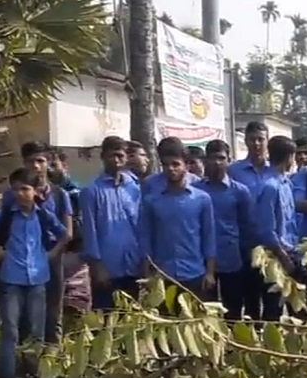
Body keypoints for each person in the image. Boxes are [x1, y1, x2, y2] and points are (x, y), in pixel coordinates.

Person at [0, 168, 67, 378]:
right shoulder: (4, 215)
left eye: (25, 189)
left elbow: (65, 234)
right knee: (10, 330)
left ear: (35, 191)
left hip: (38, 279)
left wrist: (52, 254)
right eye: (16, 190)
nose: (20, 194)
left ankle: (36, 377)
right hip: (11, 279)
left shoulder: (42, 215)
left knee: (37, 331)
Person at [9, 141, 74, 343]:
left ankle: (54, 362)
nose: (36, 166)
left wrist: (52, 254)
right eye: (30, 161)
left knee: (53, 310)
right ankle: (26, 363)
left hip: (51, 256)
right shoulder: (13, 195)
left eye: (40, 161)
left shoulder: (59, 194)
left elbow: (68, 232)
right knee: (23, 314)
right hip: (22, 259)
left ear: (49, 163)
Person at [138, 143, 217, 298]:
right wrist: (147, 273)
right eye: (166, 165)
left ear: (186, 166)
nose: (171, 169)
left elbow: (209, 237)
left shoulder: (202, 199)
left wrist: (210, 272)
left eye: (176, 164)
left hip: (195, 273)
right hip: (163, 276)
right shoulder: (151, 201)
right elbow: (145, 237)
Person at [80, 135, 143, 309]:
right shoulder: (91, 190)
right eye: (111, 155)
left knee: (132, 320)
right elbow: (89, 231)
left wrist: (144, 260)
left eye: (120, 156)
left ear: (126, 158)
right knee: (106, 321)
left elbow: (140, 226)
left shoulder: (133, 188)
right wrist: (97, 266)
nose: (116, 160)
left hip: (132, 264)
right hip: (107, 268)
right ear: (103, 157)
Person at [196, 139, 252, 319]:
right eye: (212, 158)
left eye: (221, 158)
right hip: (202, 261)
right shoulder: (195, 190)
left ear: (229, 160)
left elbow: (246, 226)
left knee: (233, 309)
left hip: (231, 259)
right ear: (205, 160)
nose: (217, 162)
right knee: (206, 312)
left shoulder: (240, 191)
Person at [249, 135, 300, 321]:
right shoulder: (270, 186)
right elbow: (265, 228)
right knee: (273, 308)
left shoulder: (286, 183)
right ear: (289, 157)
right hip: (274, 257)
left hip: (290, 252)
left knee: (295, 305)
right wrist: (283, 256)